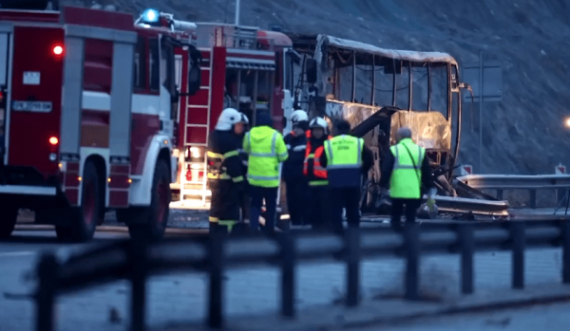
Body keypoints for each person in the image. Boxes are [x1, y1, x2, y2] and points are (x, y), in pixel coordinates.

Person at [319, 119, 373, 234]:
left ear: (337, 129)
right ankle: (353, 234)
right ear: (349, 130)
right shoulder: (358, 142)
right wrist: (362, 170)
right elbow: (369, 159)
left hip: (335, 182)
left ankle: (337, 233)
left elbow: (322, 161)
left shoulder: (330, 143)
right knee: (352, 208)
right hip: (353, 181)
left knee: (336, 209)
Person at [379, 127, 435, 230]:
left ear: (399, 137)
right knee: (411, 217)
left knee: (396, 217)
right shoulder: (420, 151)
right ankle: (410, 239)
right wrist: (429, 186)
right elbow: (426, 171)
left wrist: (382, 184)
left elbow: (386, 169)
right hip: (414, 191)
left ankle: (396, 238)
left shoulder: (394, 150)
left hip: (398, 190)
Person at [243, 111, 288, 234]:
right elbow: (284, 156)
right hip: (270, 180)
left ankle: (253, 228)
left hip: (254, 179)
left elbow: (245, 149)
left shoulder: (249, 134)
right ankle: (269, 230)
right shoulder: (276, 136)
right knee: (271, 206)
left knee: (255, 205)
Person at [207, 108, 248, 234]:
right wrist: (240, 182)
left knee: (215, 210)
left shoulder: (213, 135)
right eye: (237, 125)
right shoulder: (228, 140)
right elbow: (233, 165)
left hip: (214, 180)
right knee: (229, 212)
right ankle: (227, 236)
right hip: (227, 183)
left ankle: (213, 232)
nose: (240, 128)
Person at [303, 117, 331, 229]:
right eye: (314, 130)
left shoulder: (330, 143)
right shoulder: (308, 144)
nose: (317, 132)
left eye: (319, 130)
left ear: (324, 130)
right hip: (310, 185)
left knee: (325, 214)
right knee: (312, 214)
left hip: (326, 185)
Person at [282, 110, 309, 226]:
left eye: (298, 127)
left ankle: (303, 226)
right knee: (292, 204)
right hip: (290, 179)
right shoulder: (288, 138)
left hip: (303, 180)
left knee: (303, 205)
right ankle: (295, 224)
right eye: (294, 127)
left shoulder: (307, 141)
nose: (295, 129)